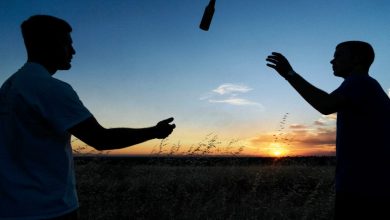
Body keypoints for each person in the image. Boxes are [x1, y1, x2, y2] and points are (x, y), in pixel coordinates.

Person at [0, 15, 176, 220]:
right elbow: (101, 139)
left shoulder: (10, 86)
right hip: (47, 209)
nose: (73, 51)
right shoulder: (50, 88)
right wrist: (155, 132)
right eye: (67, 44)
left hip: (12, 208)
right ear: (48, 45)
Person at [266, 41, 390, 219]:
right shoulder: (365, 86)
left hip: (363, 188)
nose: (332, 61)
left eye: (338, 55)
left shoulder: (360, 82)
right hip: (370, 185)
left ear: (357, 59)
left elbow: (325, 104)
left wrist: (289, 74)